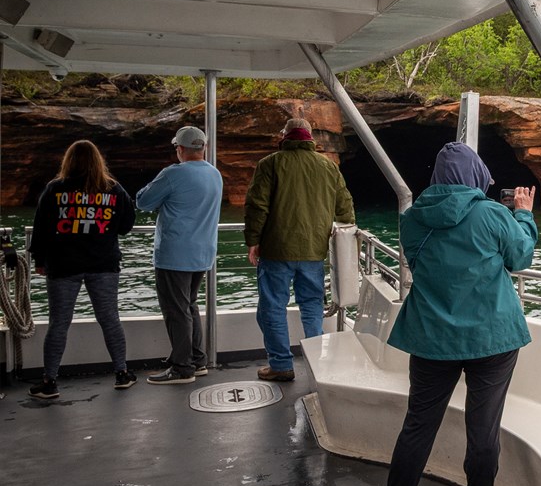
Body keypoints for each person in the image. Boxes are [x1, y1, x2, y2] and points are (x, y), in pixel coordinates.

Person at [372, 141, 537, 486]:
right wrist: (524, 215)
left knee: (417, 427)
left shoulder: (412, 221)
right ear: (476, 175)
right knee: (482, 430)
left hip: (431, 338)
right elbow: (521, 258)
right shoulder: (493, 213)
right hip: (491, 339)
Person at [244, 117, 355, 382]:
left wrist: (253, 240)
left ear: (285, 136)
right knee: (312, 306)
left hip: (276, 250)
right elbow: (346, 209)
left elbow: (257, 206)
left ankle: (281, 365)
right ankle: (316, 365)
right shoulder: (328, 167)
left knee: (272, 308)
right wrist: (341, 238)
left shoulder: (269, 164)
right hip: (314, 251)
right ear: (309, 138)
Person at [28, 140, 137, 398]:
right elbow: (126, 225)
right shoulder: (113, 189)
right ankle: (122, 374)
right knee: (110, 320)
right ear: (99, 162)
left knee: (59, 324)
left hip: (63, 266)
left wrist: (40, 261)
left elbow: (41, 228)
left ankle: (49, 382)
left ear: (68, 161)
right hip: (104, 265)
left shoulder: (54, 190)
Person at [135, 126, 224, 385]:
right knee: (189, 306)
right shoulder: (215, 174)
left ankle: (182, 367)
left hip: (175, 255)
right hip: (202, 254)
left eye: (176, 147)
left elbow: (143, 201)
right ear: (203, 148)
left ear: (181, 149)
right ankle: (197, 360)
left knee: (176, 310)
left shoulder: (173, 174)